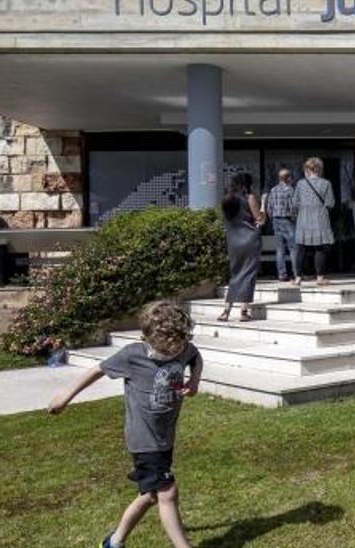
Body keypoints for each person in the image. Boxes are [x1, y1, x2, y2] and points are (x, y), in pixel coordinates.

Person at [48, 301, 203, 548]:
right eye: (169, 349)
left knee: (150, 496)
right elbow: (97, 370)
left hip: (165, 436)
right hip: (143, 439)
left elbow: (195, 356)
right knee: (167, 492)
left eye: (180, 345)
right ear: (150, 339)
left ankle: (114, 541)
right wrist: (66, 396)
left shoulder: (183, 347)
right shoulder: (133, 355)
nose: (176, 351)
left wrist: (194, 380)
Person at [219, 173, 265, 322]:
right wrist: (264, 203)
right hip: (250, 239)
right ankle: (244, 311)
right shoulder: (249, 198)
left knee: (235, 274)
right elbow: (260, 219)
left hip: (233, 241)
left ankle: (226, 311)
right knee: (248, 273)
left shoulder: (227, 200)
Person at [294, 157, 335, 286]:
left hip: (303, 218)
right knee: (320, 248)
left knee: (301, 248)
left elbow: (295, 202)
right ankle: (320, 278)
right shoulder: (326, 183)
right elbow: (330, 203)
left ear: (307, 169)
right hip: (320, 218)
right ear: (319, 169)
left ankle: (298, 277)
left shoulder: (300, 184)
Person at [262, 169, 299, 282]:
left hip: (275, 221)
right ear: (288, 178)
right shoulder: (290, 190)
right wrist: (295, 218)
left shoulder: (273, 190)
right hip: (287, 220)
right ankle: (297, 273)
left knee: (280, 249)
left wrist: (272, 217)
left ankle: (282, 275)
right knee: (293, 248)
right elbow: (293, 207)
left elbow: (269, 208)